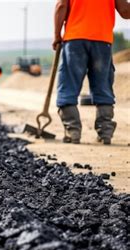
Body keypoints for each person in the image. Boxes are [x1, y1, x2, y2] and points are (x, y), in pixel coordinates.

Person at [54, 0, 130, 145]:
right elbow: (125, 11)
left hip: (75, 40)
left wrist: (57, 35)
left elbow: (61, 6)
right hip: (102, 40)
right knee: (103, 87)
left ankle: (73, 131)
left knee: (68, 84)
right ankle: (105, 133)